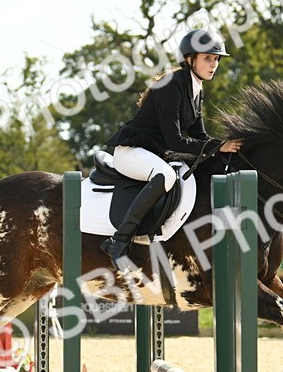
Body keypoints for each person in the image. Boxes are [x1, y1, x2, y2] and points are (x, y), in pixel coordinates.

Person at [100, 28, 242, 265]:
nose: (214, 64)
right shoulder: (171, 84)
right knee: (166, 175)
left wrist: (223, 149)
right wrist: (218, 147)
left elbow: (200, 135)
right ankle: (119, 241)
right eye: (208, 58)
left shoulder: (196, 88)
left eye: (216, 59)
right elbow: (175, 140)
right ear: (190, 59)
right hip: (131, 152)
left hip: (154, 153)